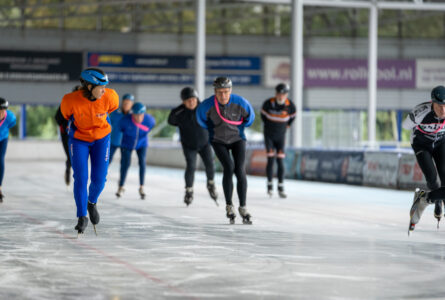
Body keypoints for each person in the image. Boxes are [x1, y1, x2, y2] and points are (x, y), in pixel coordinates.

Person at [60, 68, 119, 235]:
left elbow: (111, 109)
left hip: (102, 139)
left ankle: (91, 202)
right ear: (88, 86)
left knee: (99, 180)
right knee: (80, 177)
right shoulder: (69, 100)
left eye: (105, 86)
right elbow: (65, 115)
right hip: (79, 140)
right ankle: (82, 216)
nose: (104, 90)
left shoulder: (110, 96)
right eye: (100, 86)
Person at [196, 77, 255, 224]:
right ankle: (229, 205)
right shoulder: (207, 105)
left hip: (237, 139)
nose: (223, 96)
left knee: (240, 169)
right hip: (218, 140)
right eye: (220, 92)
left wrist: (239, 128)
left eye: (226, 92)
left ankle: (243, 206)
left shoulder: (240, 102)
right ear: (215, 92)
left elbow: (250, 118)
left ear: (231, 91)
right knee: (228, 167)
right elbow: (200, 119)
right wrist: (213, 130)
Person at [404, 85, 445, 234]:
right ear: (432, 103)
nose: (443, 110)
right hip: (422, 145)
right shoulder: (420, 113)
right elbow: (405, 125)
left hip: (440, 143)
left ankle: (427, 198)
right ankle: (430, 199)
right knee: (433, 180)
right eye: (440, 106)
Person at [168, 87, 218, 206]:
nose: (192, 102)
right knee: (191, 166)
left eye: (194, 99)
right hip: (189, 145)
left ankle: (210, 183)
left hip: (205, 144)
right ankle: (189, 190)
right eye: (188, 100)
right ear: (183, 102)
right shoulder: (179, 112)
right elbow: (170, 120)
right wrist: (180, 108)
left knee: (210, 163)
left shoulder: (204, 109)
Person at [261, 83, 296, 198]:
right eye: (279, 94)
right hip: (269, 135)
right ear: (276, 94)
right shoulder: (268, 103)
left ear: (286, 95)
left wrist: (286, 126)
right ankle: (270, 185)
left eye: (283, 94)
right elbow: (263, 117)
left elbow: (292, 119)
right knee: (270, 159)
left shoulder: (290, 106)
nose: (281, 96)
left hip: (281, 136)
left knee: (280, 160)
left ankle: (281, 187)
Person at [116, 102, 156, 200]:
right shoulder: (124, 121)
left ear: (144, 114)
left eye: (140, 115)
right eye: (136, 115)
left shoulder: (149, 120)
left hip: (142, 143)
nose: (138, 118)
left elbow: (150, 128)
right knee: (125, 164)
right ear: (132, 114)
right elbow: (120, 129)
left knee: (142, 162)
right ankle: (121, 187)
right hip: (127, 144)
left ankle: (141, 187)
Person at [55, 85, 81, 186]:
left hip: (78, 134)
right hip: (66, 133)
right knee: (70, 156)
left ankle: (76, 175)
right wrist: (65, 125)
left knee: (76, 156)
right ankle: (68, 172)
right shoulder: (66, 103)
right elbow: (57, 117)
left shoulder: (84, 105)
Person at [109, 93, 134, 164]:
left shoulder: (134, 115)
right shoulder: (114, 113)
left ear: (132, 104)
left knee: (125, 163)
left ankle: (123, 175)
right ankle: (102, 175)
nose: (126, 105)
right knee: (106, 161)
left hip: (126, 143)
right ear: (122, 102)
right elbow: (108, 125)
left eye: (129, 103)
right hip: (114, 140)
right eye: (125, 103)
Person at [0, 98, 16, 203]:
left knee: (0, 159)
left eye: (3, 110)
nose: (2, 112)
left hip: (3, 138)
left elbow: (11, 125)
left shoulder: (10, 117)